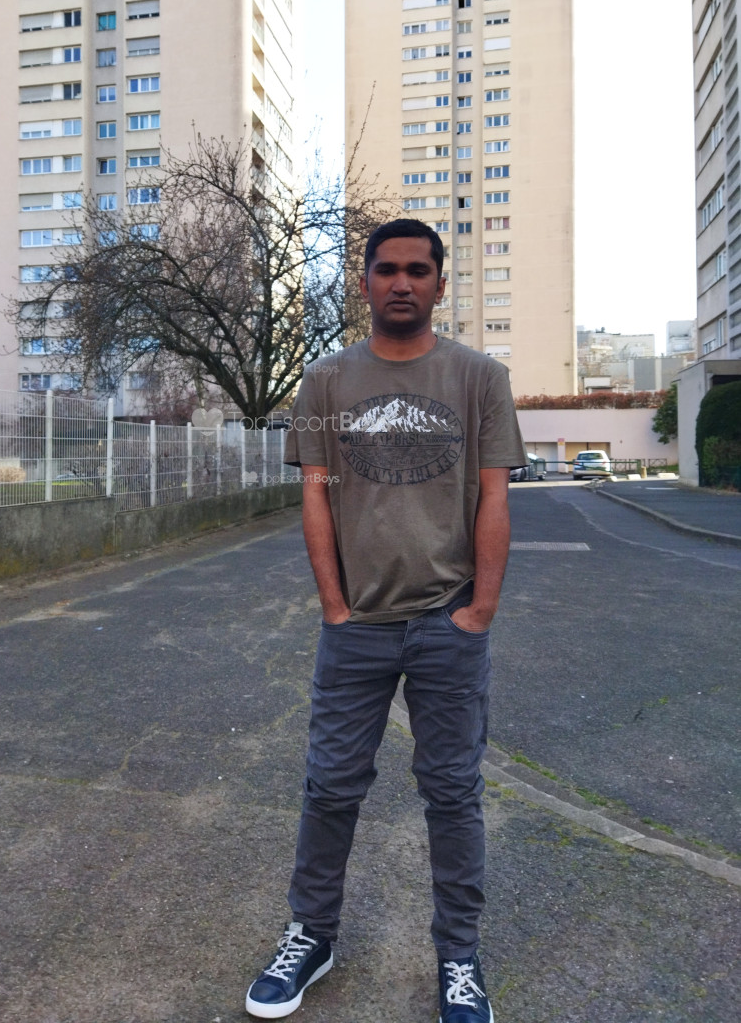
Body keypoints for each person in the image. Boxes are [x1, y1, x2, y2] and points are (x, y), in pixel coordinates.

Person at [245, 218, 526, 1023]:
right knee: (331, 787)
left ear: (439, 282)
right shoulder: (325, 381)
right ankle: (312, 936)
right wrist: (335, 607)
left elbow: (496, 497)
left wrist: (480, 612)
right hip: (357, 626)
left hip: (448, 622)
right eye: (387, 269)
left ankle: (459, 958)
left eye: (418, 269)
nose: (402, 282)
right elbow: (314, 496)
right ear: (364, 281)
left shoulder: (480, 378)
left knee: (453, 794)